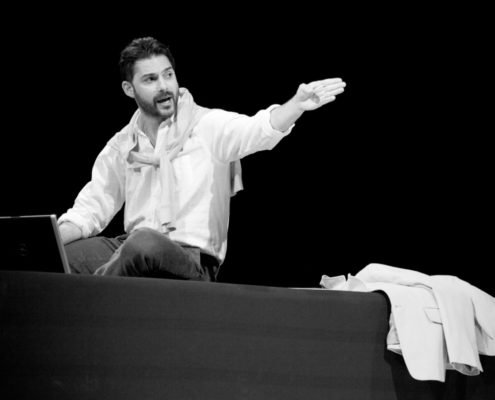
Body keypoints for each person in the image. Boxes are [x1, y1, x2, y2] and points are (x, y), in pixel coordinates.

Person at [59, 36, 346, 281]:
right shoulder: (122, 144)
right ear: (128, 89)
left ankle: (95, 300)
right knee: (64, 257)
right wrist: (49, 241)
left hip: (192, 259)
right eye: (150, 79)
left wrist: (296, 105)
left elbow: (258, 130)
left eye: (168, 75)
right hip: (130, 248)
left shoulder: (206, 126)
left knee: (142, 242)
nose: (164, 86)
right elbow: (90, 210)